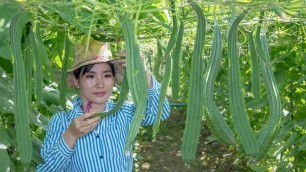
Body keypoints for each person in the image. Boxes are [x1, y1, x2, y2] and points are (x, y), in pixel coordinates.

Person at [37, 38, 170, 171]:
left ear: (113, 79)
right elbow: (45, 169)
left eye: (106, 76)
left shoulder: (125, 113)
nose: (100, 84)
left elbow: (160, 112)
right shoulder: (61, 121)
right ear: (76, 81)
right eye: (90, 76)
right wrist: (71, 135)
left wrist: (144, 74)